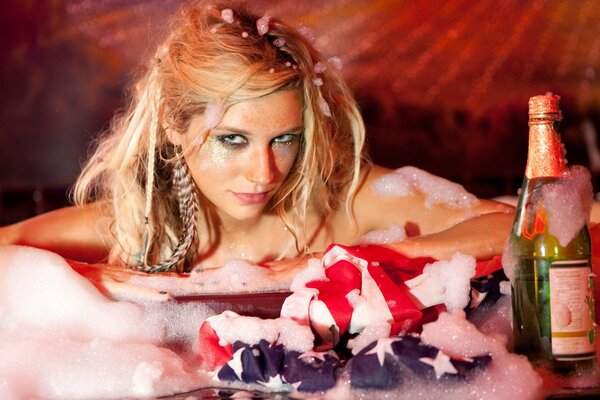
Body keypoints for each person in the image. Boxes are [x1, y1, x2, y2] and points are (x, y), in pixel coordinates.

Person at [0, 1, 513, 276]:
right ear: (175, 125)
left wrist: (358, 260)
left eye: (284, 139)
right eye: (232, 140)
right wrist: (98, 279)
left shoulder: (345, 201)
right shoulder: (139, 227)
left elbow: (518, 228)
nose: (264, 172)